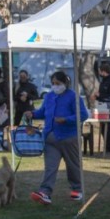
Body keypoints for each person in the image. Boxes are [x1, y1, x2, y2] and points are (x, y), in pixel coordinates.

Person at [26, 71, 89, 205]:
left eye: (58, 83)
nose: (55, 86)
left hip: (69, 137)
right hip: (50, 138)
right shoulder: (49, 96)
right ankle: (45, 192)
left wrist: (66, 119)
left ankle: (77, 189)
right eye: (53, 83)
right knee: (50, 167)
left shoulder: (73, 97)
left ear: (65, 83)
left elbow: (83, 115)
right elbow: (43, 112)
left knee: (73, 165)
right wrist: (33, 113)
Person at [92, 62, 110, 157]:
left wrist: (100, 95)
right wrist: (97, 97)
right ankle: (108, 148)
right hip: (103, 107)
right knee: (104, 129)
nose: (99, 73)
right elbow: (102, 94)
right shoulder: (104, 81)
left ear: (104, 71)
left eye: (100, 71)